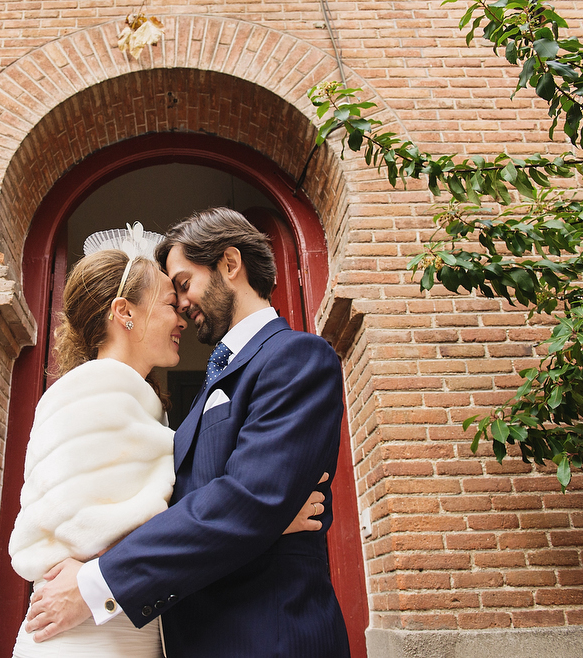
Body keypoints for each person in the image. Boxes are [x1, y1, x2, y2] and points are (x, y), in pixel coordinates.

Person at [25, 208, 350, 657]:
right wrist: (269, 524)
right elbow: (210, 500)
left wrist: (261, 517)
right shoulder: (187, 389)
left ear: (230, 265)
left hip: (265, 639)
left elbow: (250, 497)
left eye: (182, 283)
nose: (180, 305)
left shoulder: (296, 357)